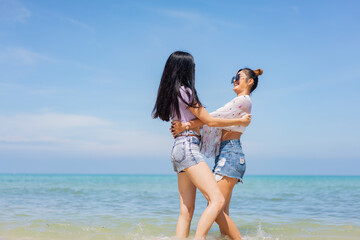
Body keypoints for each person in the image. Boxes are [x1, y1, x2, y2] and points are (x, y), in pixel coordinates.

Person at [152, 51, 251, 239]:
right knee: (217, 200)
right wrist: (240, 121)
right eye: (192, 65)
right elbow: (210, 121)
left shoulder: (172, 93)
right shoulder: (186, 91)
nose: (195, 68)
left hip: (178, 150)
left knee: (186, 210)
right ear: (184, 68)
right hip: (189, 147)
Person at [171, 67, 263, 236]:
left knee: (216, 207)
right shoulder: (238, 102)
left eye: (238, 77)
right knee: (220, 212)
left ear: (250, 81)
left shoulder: (243, 101)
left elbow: (211, 118)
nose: (235, 80)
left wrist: (186, 125)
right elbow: (212, 120)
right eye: (233, 77)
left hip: (230, 154)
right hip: (226, 154)